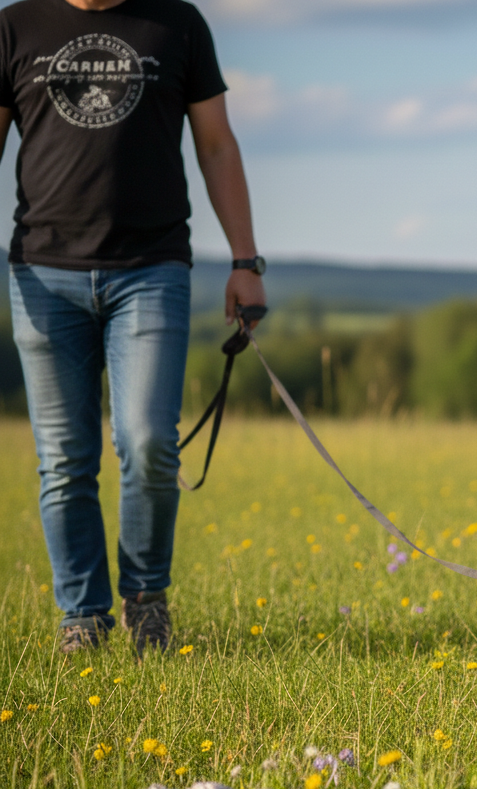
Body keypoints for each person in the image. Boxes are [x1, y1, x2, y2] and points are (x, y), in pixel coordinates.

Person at [1, 0, 266, 655]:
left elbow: (216, 145)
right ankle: (82, 618)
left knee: (148, 442)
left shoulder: (177, 23)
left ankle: (147, 602)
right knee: (64, 460)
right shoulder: (14, 27)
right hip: (44, 271)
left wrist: (245, 261)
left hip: (151, 270)